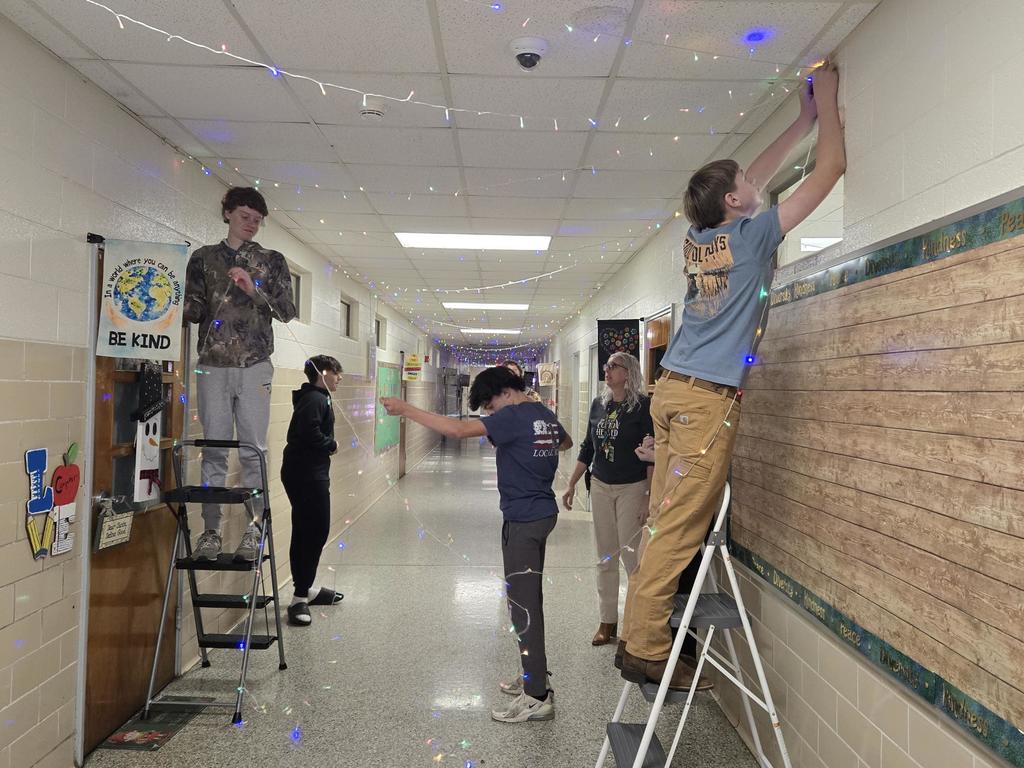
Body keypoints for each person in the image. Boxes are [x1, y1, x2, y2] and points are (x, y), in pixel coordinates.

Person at [618, 63, 846, 691]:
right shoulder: (750, 237)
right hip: (703, 402)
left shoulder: (700, 236)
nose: (756, 182)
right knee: (681, 526)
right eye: (746, 183)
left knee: (662, 517)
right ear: (736, 202)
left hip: (672, 393)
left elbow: (755, 177)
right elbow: (827, 173)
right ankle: (644, 645)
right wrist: (825, 103)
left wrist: (802, 119)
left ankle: (641, 625)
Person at [381, 366, 572, 723]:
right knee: (527, 601)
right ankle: (535, 675)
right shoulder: (542, 413)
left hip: (524, 520)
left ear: (504, 393)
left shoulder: (513, 415)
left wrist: (406, 409)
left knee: (523, 607)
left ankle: (537, 698)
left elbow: (456, 430)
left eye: (490, 406)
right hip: (542, 512)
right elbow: (566, 442)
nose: (490, 414)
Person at [184, 187, 296, 562]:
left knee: (253, 449)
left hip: (254, 365)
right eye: (245, 215)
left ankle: (255, 528)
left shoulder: (271, 260)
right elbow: (193, 309)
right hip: (212, 364)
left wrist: (253, 288)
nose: (251, 223)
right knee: (213, 450)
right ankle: (211, 531)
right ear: (228, 213)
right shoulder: (203, 258)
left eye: (258, 219)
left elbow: (286, 312)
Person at [562, 352, 653, 646]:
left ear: (628, 373)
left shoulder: (643, 407)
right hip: (600, 485)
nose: (607, 370)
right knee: (605, 557)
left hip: (632, 487)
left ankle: (634, 627)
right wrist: (572, 483)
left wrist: (648, 496)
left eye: (613, 366)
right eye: (607, 366)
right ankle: (607, 622)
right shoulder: (598, 405)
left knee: (631, 558)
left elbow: (651, 454)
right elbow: (589, 447)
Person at [281, 355, 345, 626]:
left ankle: (305, 588)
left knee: (313, 530)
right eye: (336, 373)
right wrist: (331, 445)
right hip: (305, 474)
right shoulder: (315, 399)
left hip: (309, 472)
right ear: (323, 373)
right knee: (313, 530)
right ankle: (298, 598)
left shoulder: (318, 396)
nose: (339, 377)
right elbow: (308, 433)